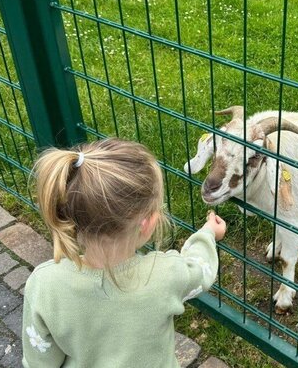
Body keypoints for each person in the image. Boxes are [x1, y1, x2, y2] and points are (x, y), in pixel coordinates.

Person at [22, 138, 226, 367]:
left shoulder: (44, 284)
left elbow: (39, 361)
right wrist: (208, 234)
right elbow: (200, 268)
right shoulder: (165, 275)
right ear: (147, 224)